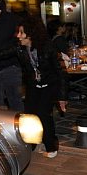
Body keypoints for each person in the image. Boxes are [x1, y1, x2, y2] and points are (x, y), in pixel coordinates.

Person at [16, 14, 68, 158]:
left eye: (21, 32)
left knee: (43, 115)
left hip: (49, 85)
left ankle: (51, 146)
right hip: (34, 85)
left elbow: (60, 72)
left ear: (31, 34)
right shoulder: (20, 50)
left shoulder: (47, 47)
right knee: (30, 114)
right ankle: (32, 144)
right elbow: (0, 54)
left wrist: (61, 96)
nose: (18, 36)